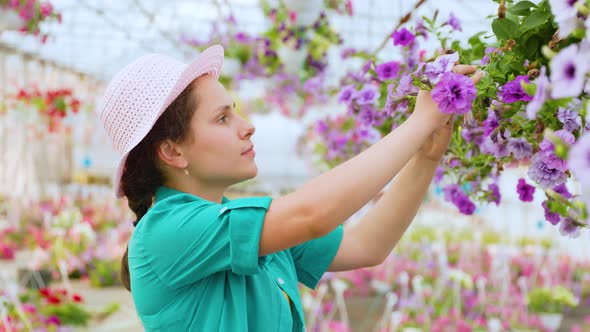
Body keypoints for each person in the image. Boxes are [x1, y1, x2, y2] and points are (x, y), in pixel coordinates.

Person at [97, 44, 481, 331]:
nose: (246, 125)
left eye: (236, 110)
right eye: (222, 118)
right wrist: (418, 123)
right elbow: (311, 214)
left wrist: (425, 157)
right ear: (172, 151)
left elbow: (368, 246)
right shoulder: (165, 232)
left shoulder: (247, 228)